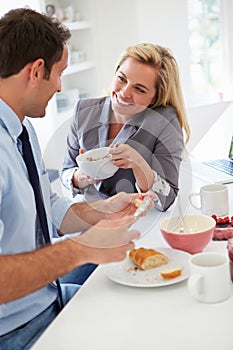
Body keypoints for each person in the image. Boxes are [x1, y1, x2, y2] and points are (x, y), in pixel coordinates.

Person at [0, 8, 148, 349]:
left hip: (47, 299)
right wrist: (85, 248)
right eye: (59, 73)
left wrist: (105, 211)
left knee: (142, 310)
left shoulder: (21, 128)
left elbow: (46, 207)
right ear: (37, 71)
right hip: (16, 331)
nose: (60, 86)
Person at [61, 42, 190, 212]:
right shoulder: (84, 111)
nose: (124, 93)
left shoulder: (164, 122)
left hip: (138, 218)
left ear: (155, 98)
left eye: (139, 89)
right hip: (90, 216)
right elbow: (66, 172)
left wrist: (139, 164)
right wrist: (81, 176)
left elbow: (166, 198)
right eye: (122, 79)